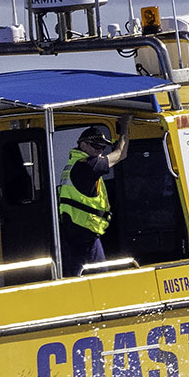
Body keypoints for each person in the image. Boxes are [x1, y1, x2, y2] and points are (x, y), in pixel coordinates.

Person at [57, 116, 132, 276]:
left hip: (73, 229)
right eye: (95, 147)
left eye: (102, 148)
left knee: (77, 275)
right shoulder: (88, 166)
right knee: (100, 276)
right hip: (85, 233)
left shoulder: (73, 164)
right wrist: (125, 127)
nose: (100, 151)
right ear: (82, 144)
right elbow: (121, 154)